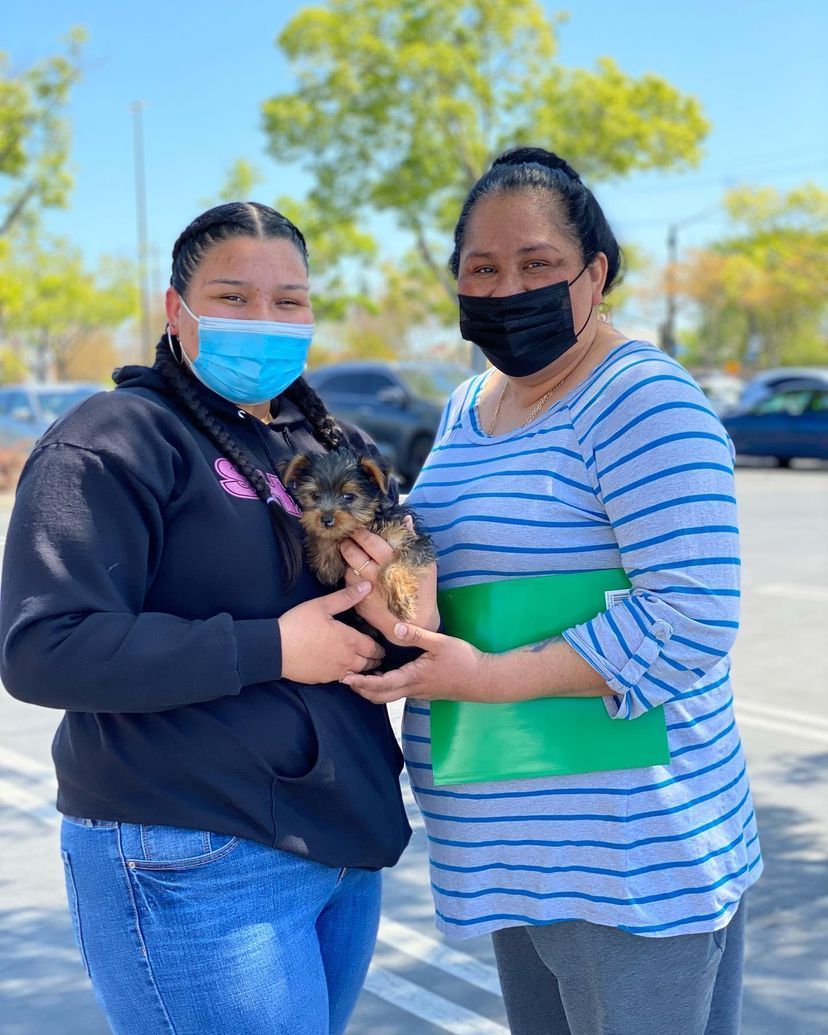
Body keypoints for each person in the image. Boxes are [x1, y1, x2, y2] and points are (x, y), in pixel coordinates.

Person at [340, 148, 762, 1035]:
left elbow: (691, 617)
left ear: (595, 274)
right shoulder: (468, 405)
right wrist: (390, 574)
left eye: (537, 266)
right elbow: (448, 550)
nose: (507, 290)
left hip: (630, 859)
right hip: (519, 844)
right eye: (482, 269)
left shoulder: (644, 399)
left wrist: (482, 677)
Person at [0, 202, 432, 1035]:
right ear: (177, 310)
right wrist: (273, 647)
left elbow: (392, 586)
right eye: (232, 298)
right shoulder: (113, 439)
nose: (265, 321)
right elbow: (43, 648)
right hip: (193, 855)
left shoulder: (317, 441)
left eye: (289, 301)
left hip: (339, 845)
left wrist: (398, 605)